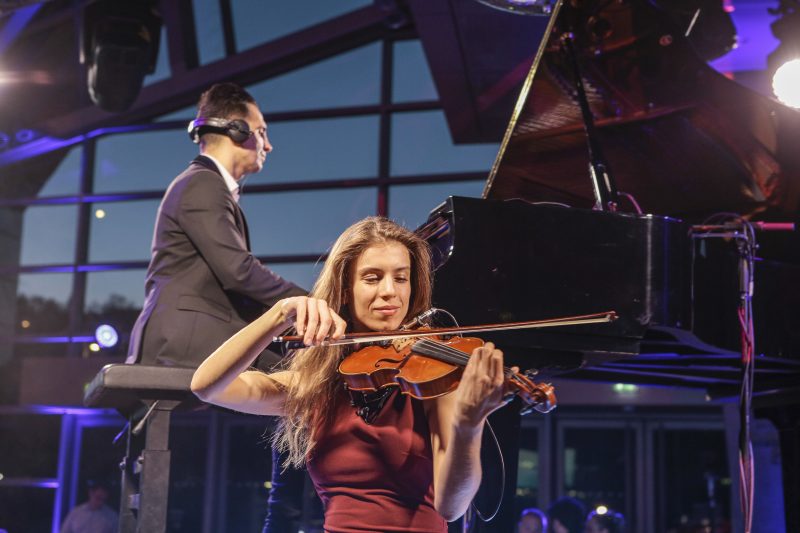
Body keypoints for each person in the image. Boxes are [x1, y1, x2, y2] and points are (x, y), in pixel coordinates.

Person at [190, 217, 515, 532]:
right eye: (373, 278)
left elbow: (452, 506)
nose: (390, 291)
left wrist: (469, 426)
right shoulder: (316, 387)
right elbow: (208, 386)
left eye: (401, 278)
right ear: (345, 290)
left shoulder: (431, 377)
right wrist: (279, 314)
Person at [126, 82, 304, 369]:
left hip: (202, 332)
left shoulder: (204, 184)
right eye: (262, 132)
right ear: (237, 130)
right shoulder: (202, 183)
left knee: (299, 365)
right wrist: (314, 303)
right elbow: (239, 272)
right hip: (187, 340)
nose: (268, 145)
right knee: (307, 375)